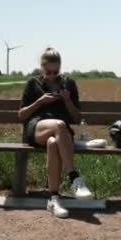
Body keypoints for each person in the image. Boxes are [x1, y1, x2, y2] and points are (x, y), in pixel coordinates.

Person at [18, 47, 94, 218]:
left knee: (53, 143)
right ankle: (75, 179)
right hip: (36, 128)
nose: (52, 75)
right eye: (48, 72)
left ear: (60, 68)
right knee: (59, 125)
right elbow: (21, 114)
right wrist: (39, 102)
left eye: (55, 71)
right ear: (41, 68)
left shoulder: (68, 83)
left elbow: (75, 117)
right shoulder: (33, 83)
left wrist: (67, 100)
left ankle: (53, 199)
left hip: (61, 133)